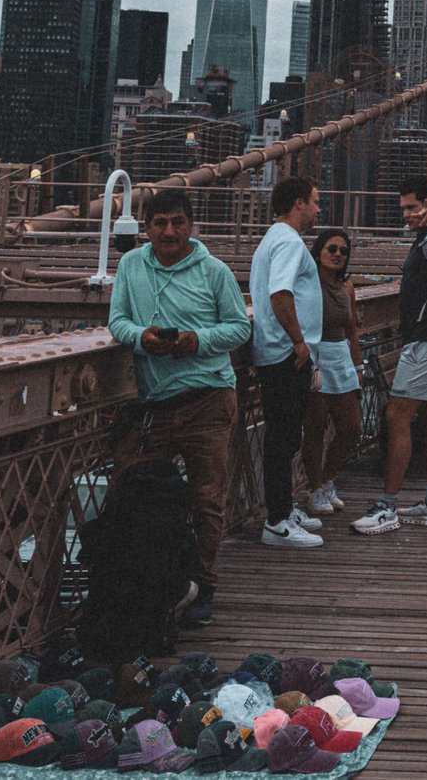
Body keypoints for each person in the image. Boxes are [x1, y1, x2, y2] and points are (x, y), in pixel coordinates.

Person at [104, 190, 251, 626]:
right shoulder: (131, 265)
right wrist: (141, 337)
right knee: (136, 492)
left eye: (178, 222)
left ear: (192, 225)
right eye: (160, 223)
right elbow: (117, 321)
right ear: (146, 227)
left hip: (208, 398)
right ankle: (153, 583)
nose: (169, 232)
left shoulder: (215, 271)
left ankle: (203, 588)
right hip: (154, 405)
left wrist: (196, 341)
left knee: (206, 500)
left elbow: (240, 327)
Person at [352, 176, 427, 534]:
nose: (406, 215)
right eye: (403, 209)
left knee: (397, 416)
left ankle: (387, 507)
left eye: (412, 207)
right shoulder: (422, 237)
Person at [247, 176, 326, 549]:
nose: (318, 208)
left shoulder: (272, 238)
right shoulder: (290, 241)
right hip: (284, 355)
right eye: (314, 200)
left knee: (283, 436)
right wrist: (299, 342)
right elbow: (280, 294)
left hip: (275, 352)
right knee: (282, 439)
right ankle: (277, 523)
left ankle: (283, 508)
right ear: (298, 203)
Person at [301, 225, 361, 517]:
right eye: (332, 249)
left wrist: (358, 365)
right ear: (319, 251)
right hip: (316, 355)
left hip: (341, 356)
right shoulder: (307, 282)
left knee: (351, 427)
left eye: (344, 251)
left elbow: (352, 330)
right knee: (315, 426)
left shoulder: (347, 287)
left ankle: (327, 479)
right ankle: (314, 488)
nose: (338, 255)